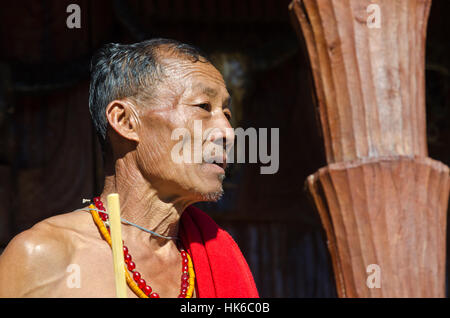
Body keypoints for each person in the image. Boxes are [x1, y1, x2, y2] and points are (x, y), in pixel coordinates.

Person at [0, 39, 258, 298]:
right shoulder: (43, 257)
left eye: (226, 113)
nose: (228, 132)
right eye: (203, 107)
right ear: (125, 121)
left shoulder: (215, 253)